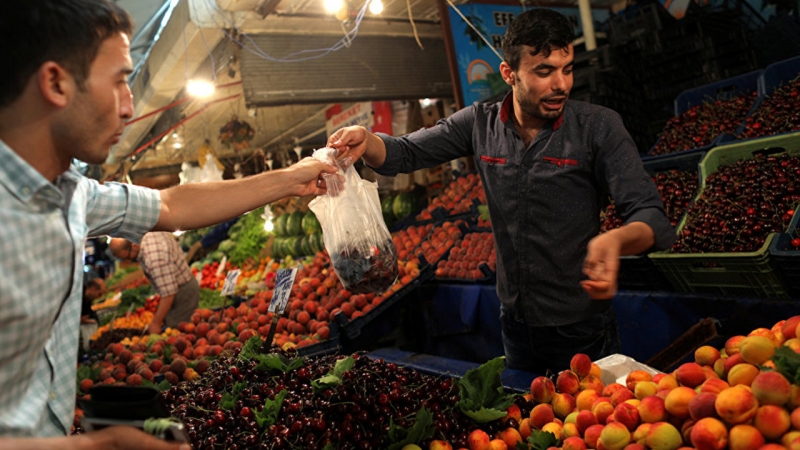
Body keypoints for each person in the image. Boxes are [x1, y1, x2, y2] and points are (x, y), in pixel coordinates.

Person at [0, 0, 335, 447]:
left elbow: (172, 205)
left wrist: (290, 178)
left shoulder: (73, 196)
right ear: (56, 82)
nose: (129, 105)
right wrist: (88, 445)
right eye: (119, 80)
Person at [329, 8, 675, 375]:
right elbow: (406, 152)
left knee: (584, 424)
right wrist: (366, 140)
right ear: (509, 74)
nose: (561, 84)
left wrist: (616, 241)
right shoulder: (479, 124)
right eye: (544, 71)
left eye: (567, 68)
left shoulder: (597, 127)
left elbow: (651, 217)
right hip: (514, 325)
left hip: (581, 329)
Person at [108, 233, 198, 334]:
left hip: (183, 294)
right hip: (180, 285)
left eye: (128, 256)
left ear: (133, 244)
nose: (129, 260)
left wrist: (156, 322)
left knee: (177, 332)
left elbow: (169, 294)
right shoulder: (147, 235)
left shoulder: (154, 258)